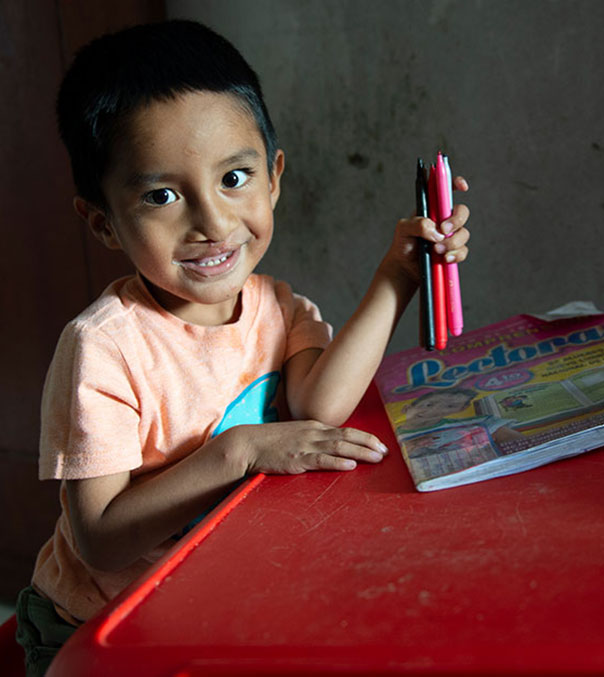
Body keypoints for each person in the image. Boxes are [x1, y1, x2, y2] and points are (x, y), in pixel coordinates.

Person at [15, 19, 470, 676]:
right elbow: (100, 538)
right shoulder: (103, 347)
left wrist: (399, 272)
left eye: (234, 178)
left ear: (274, 177)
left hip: (218, 592)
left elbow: (321, 404)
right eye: (162, 195)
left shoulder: (274, 306)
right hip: (97, 622)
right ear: (102, 220)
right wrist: (239, 451)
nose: (214, 222)